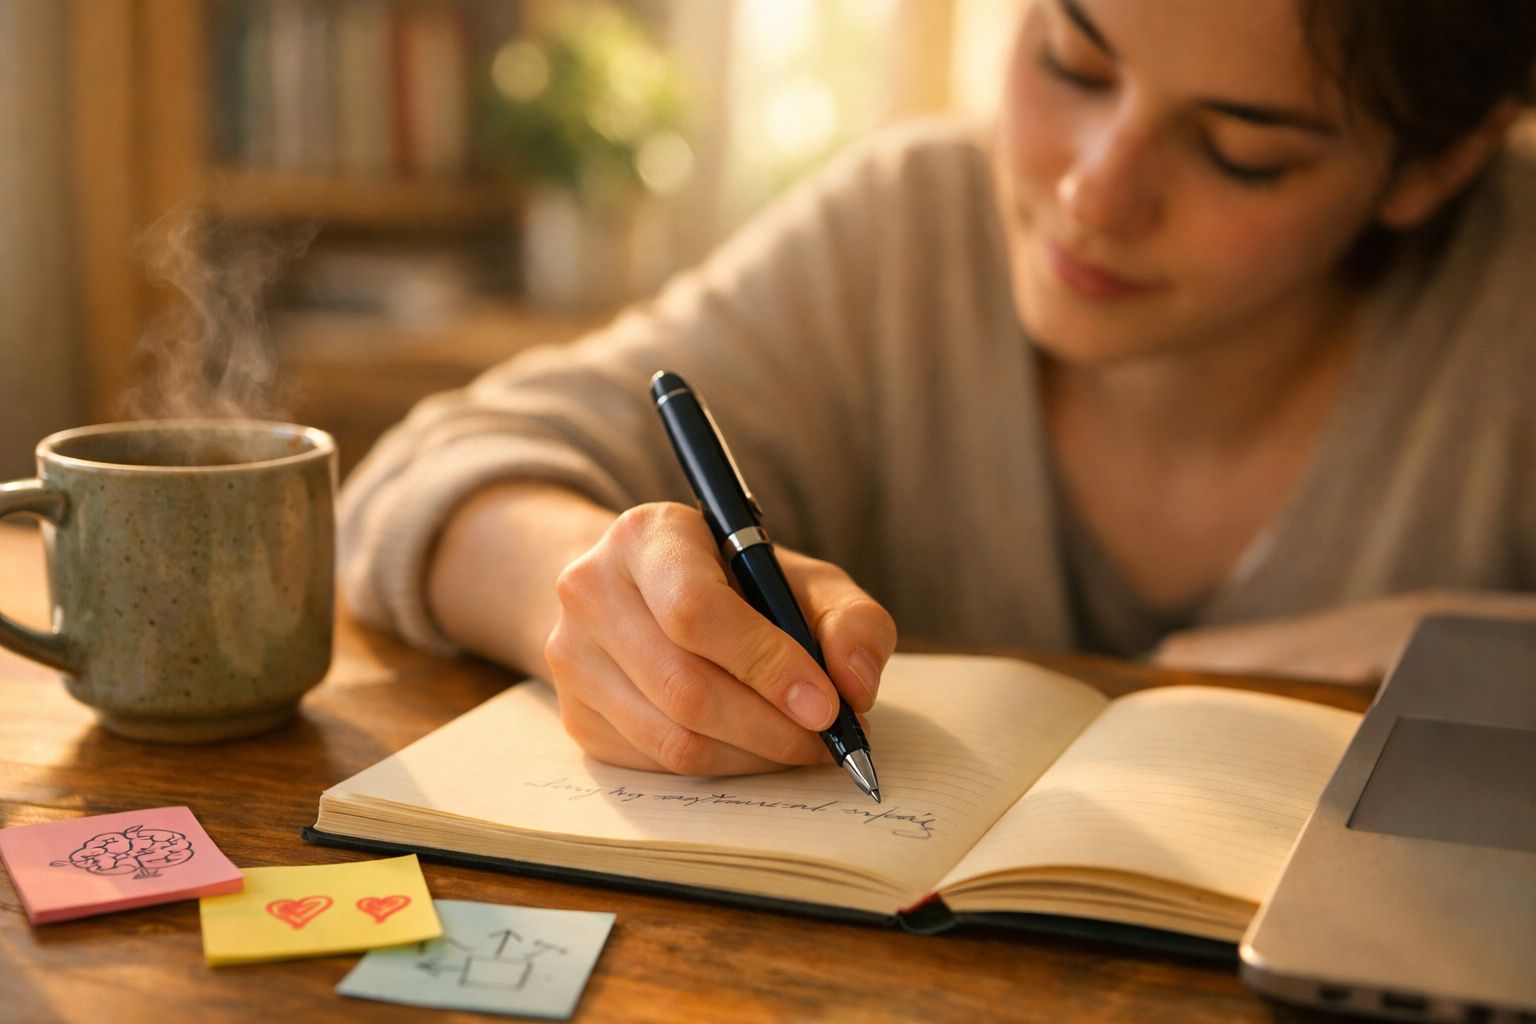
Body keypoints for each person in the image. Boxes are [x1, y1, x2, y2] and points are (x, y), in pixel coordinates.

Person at [339, 0, 1536, 778]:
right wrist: (623, 604)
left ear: (1436, 165)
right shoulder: (908, 232)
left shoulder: (1505, 297)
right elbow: (421, 477)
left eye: (1243, 151)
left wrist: (1453, 650)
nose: (1094, 193)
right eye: (1073, 62)